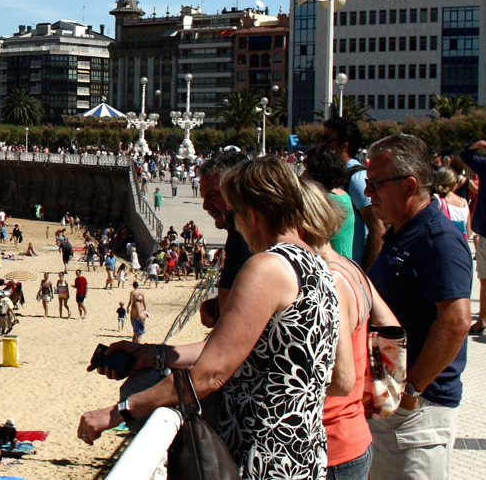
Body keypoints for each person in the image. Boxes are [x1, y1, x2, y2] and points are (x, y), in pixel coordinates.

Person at [83, 158, 374, 480]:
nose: (233, 226)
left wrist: (118, 411)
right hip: (304, 453)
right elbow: (329, 375)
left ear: (252, 213)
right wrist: (154, 354)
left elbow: (211, 374)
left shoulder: (267, 267)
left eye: (233, 216)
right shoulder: (320, 266)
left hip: (263, 457)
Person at [359, 137, 472, 480]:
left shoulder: (437, 240)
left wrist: (411, 390)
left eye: (376, 183)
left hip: (418, 412)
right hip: (392, 404)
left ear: (409, 185)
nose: (367, 192)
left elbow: (456, 321)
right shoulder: (403, 232)